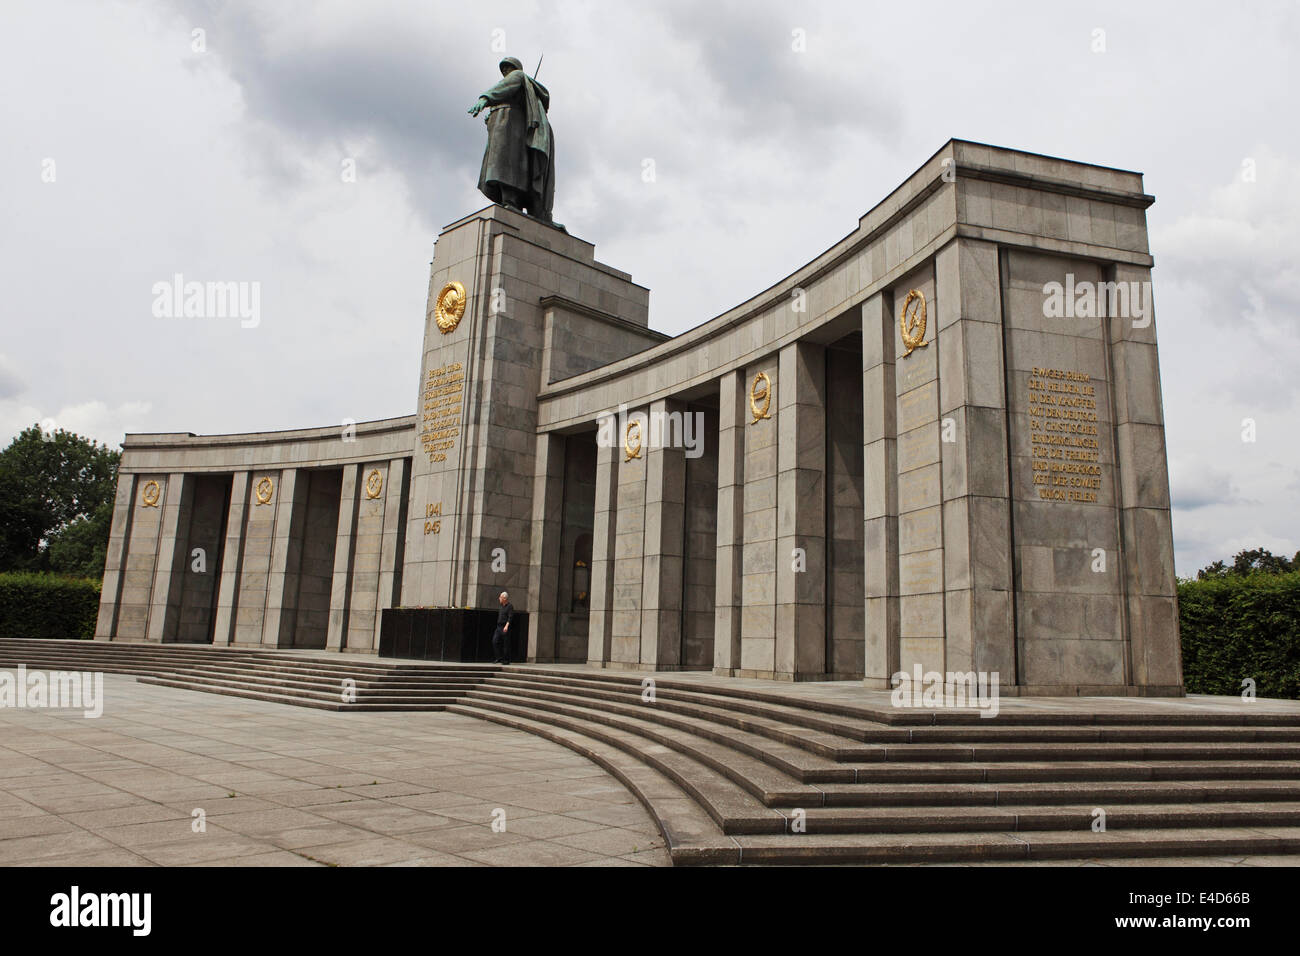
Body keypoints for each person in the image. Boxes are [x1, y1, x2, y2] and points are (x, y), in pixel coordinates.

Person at [467, 57, 556, 223]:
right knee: (506, 166)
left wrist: (485, 99)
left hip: (508, 126)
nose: (505, 71)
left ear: (514, 68)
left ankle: (510, 200)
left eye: (507, 67)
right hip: (505, 125)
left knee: (504, 165)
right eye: (503, 69)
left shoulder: (517, 76)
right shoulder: (516, 84)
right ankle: (510, 200)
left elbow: (502, 89)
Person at [492, 591, 515, 665]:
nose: (499, 598)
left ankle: (506, 659)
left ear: (504, 598)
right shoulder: (501, 606)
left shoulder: (510, 606)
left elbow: (510, 617)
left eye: (500, 597)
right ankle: (498, 657)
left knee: (506, 644)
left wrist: (506, 626)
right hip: (499, 626)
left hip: (505, 626)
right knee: (495, 641)